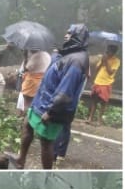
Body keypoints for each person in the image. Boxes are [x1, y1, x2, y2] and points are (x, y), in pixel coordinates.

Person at [14, 24, 90, 169]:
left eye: (69, 33)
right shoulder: (68, 54)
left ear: (77, 36)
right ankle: (21, 159)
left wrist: (51, 112)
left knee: (46, 142)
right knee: (27, 125)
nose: (66, 35)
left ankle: (46, 174)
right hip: (40, 102)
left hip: (52, 108)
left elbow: (65, 92)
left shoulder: (77, 61)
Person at [87, 44, 120, 126]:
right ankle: (90, 119)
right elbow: (97, 69)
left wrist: (106, 62)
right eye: (107, 51)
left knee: (103, 103)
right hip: (97, 81)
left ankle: (99, 121)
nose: (108, 53)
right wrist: (102, 62)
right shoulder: (103, 59)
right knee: (94, 101)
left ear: (114, 52)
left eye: (110, 51)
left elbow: (110, 72)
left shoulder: (116, 61)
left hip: (106, 83)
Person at [17, 49, 52, 116]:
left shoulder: (36, 56)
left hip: (31, 82)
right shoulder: (48, 55)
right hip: (41, 81)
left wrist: (25, 57)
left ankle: (24, 118)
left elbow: (26, 68)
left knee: (26, 103)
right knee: (34, 102)